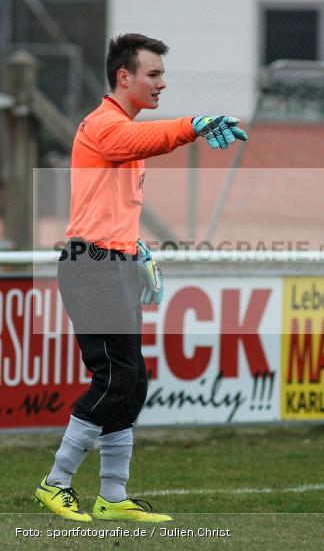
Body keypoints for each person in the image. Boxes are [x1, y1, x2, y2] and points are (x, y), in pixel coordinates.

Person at [35, 33, 248, 523]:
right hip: (91, 267)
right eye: (154, 74)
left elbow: (106, 204)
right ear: (123, 77)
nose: (162, 83)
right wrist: (193, 125)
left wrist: (136, 247)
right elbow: (141, 140)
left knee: (133, 384)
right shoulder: (105, 124)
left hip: (111, 263)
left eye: (162, 75)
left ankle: (112, 496)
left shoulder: (120, 127)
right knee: (116, 377)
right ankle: (56, 482)